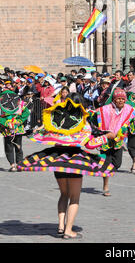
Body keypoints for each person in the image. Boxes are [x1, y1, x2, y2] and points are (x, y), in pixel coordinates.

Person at [17, 92, 115, 239]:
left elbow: (44, 135)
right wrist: (106, 137)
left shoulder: (56, 119)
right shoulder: (82, 122)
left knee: (63, 194)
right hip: (75, 161)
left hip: (56, 158)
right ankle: (69, 230)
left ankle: (61, 227)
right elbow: (89, 143)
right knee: (74, 197)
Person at [93, 88, 135, 196]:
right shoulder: (105, 109)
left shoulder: (128, 109)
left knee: (117, 163)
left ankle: (105, 170)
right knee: (106, 163)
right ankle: (105, 186)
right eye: (118, 99)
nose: (121, 101)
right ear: (114, 100)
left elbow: (131, 116)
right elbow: (96, 117)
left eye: (122, 99)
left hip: (118, 141)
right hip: (106, 140)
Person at [0, 90, 30, 171]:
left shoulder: (19, 103)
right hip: (10, 128)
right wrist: (8, 123)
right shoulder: (18, 103)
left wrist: (17, 121)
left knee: (13, 146)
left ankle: (15, 165)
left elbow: (26, 112)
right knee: (14, 146)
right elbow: (26, 112)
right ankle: (16, 165)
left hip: (13, 128)